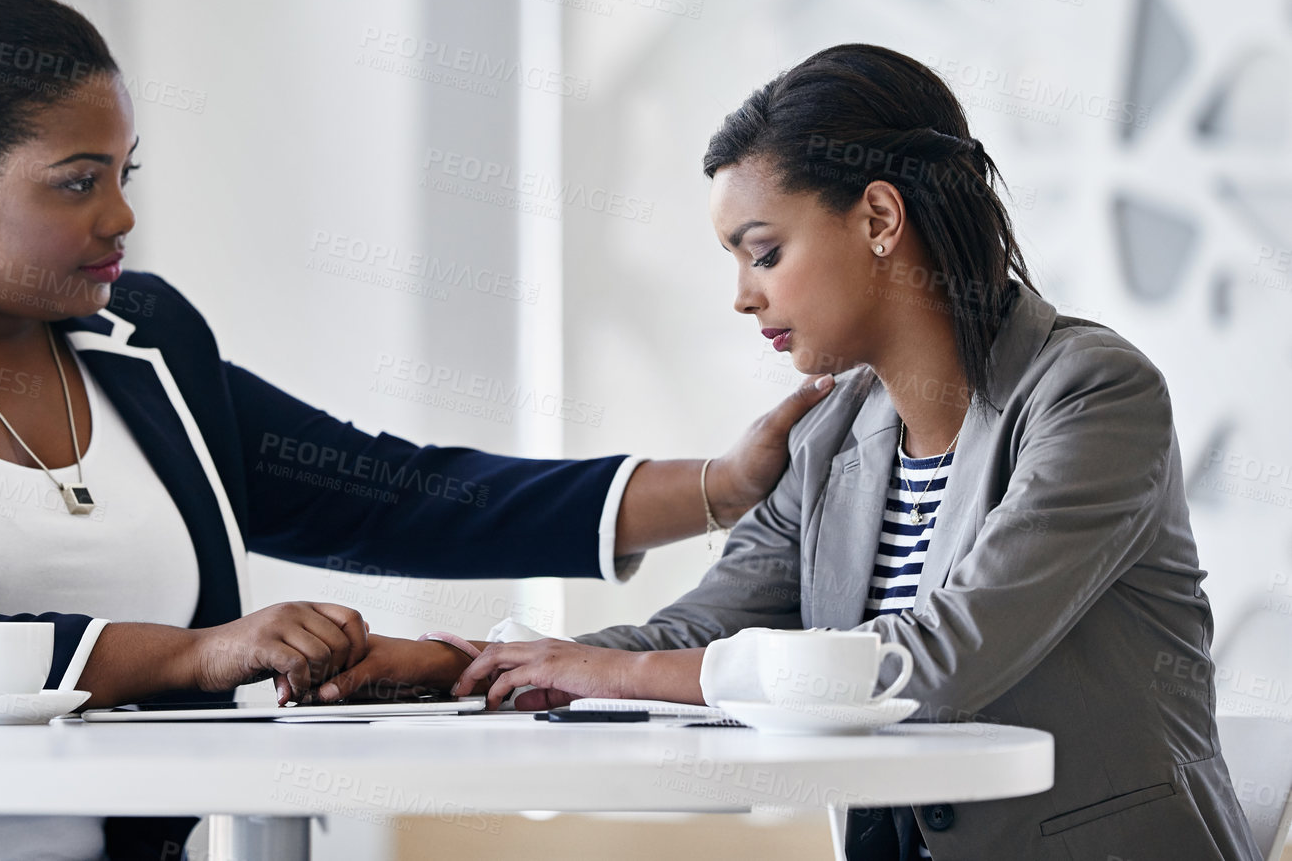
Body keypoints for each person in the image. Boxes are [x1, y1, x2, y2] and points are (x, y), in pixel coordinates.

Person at [0, 0, 833, 861]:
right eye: (77, 185)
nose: (120, 219)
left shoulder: (145, 343)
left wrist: (723, 483)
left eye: (125, 175)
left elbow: (388, 491)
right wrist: (192, 653)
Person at [325, 44, 1259, 861]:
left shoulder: (1092, 393)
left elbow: (936, 662)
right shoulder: (825, 439)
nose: (741, 295)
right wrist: (465, 663)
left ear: (879, 219)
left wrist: (613, 671)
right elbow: (689, 640)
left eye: (762, 252)